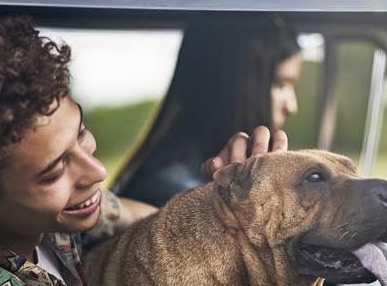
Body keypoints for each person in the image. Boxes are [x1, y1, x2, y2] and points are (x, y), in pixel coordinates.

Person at [0, 6, 284, 286]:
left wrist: (229, 201)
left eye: (81, 133)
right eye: (55, 170)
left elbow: (148, 222)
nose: (97, 172)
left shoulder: (27, 217)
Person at [113, 12, 301, 207]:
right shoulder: (171, 192)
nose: (291, 107)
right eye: (280, 84)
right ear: (231, 86)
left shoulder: (175, 174)